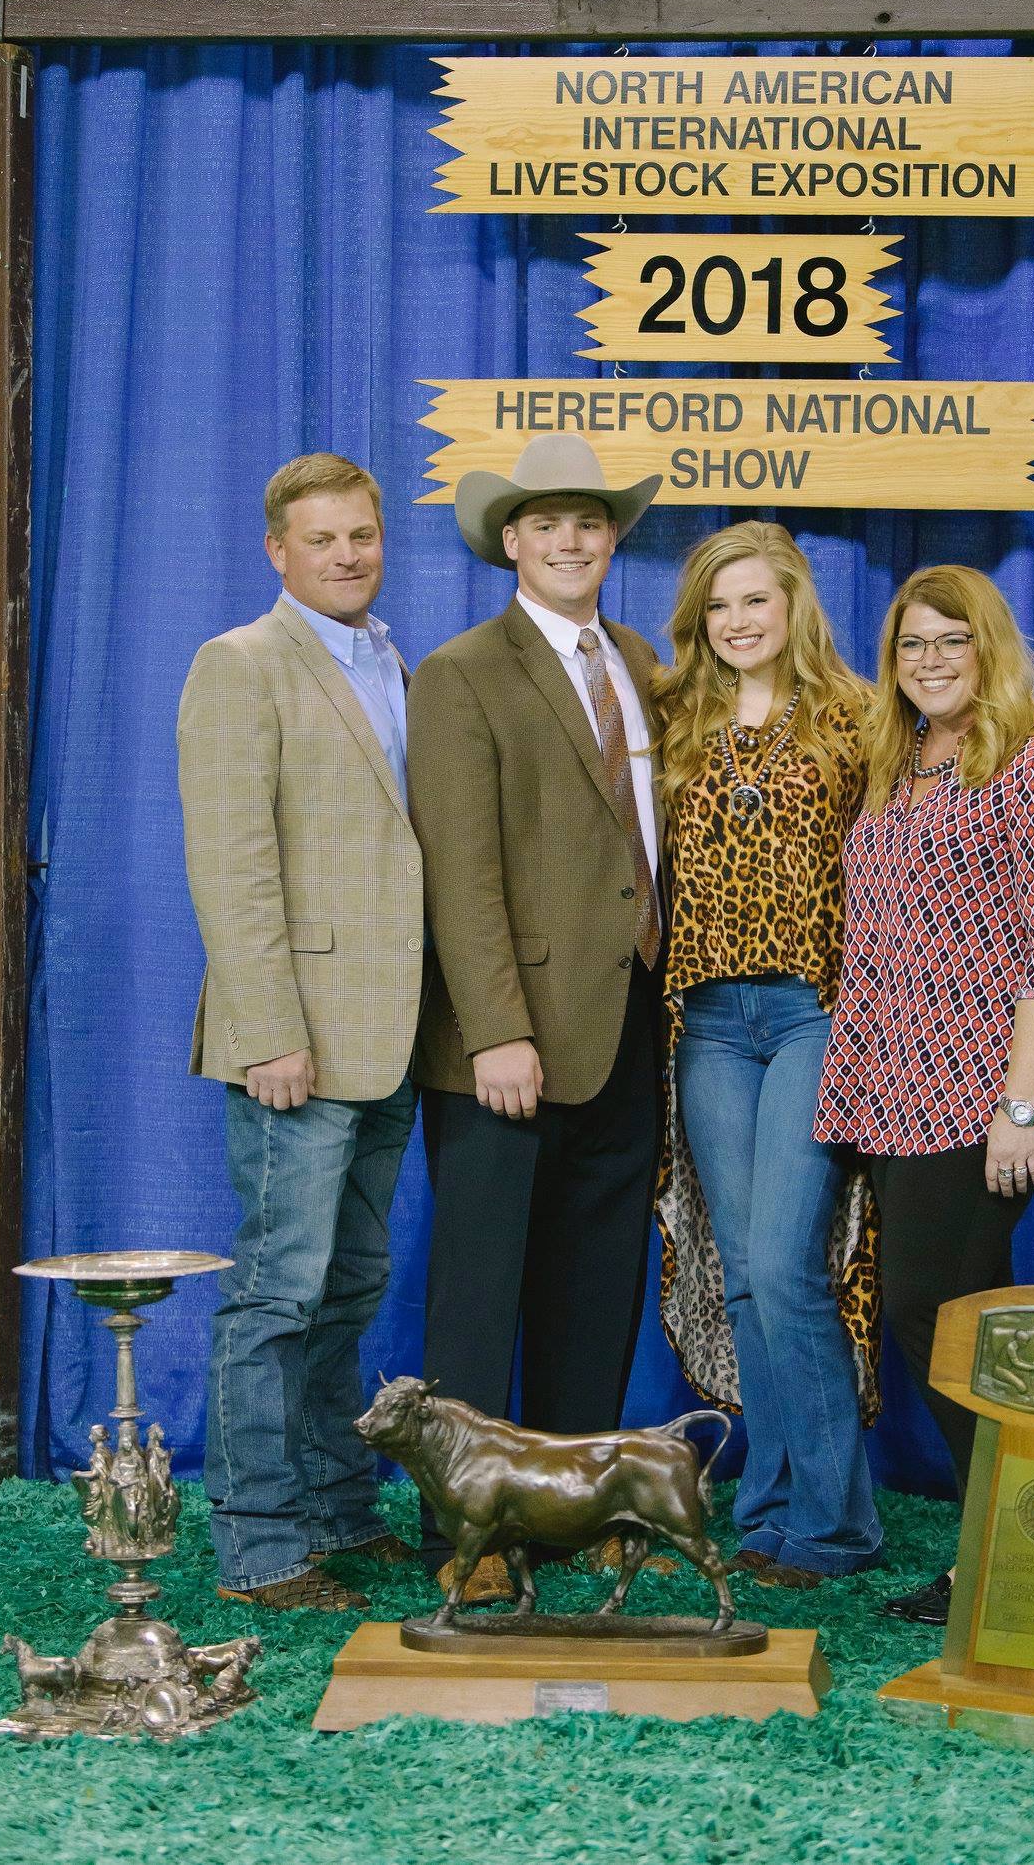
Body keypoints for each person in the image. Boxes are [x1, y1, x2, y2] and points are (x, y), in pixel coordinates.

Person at [815, 563, 1034, 1625]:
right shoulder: (899, 766)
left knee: (939, 1309)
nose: (928, 661)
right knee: (951, 1317)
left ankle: (1022, 1549)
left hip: (985, 1090)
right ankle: (1013, 1550)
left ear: (990, 649)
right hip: (894, 1084)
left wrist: (1020, 1108)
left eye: (950, 640)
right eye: (909, 644)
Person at [406, 434, 664, 1598]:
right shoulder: (463, 671)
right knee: (479, 1286)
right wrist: (494, 1025)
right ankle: (466, 1541)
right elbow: (459, 872)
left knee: (596, 1275)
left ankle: (571, 1510)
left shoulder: (643, 661)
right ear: (509, 541)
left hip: (629, 1016)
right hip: (508, 1039)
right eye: (548, 523)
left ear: (613, 539)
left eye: (590, 522)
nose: (571, 541)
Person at [178, 452, 424, 1611]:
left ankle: (336, 1505)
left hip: (390, 1033)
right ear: (276, 550)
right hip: (297, 1041)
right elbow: (231, 865)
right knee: (278, 1289)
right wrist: (270, 1028)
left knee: (350, 1283)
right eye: (321, 539)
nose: (345, 555)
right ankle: (262, 1543)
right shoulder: (240, 664)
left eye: (361, 535)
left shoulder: (391, 658)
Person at [651, 521, 883, 1590]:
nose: (737, 621)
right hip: (706, 1019)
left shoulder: (858, 718)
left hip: (810, 1012)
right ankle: (772, 1505)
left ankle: (835, 1524)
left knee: (789, 1266)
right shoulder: (674, 717)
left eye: (756, 600)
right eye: (718, 606)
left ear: (794, 604)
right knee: (743, 1273)